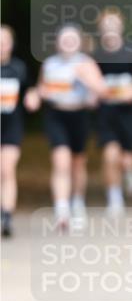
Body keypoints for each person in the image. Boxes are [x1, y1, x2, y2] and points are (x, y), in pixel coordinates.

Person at [24, 24, 108, 231]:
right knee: (60, 161)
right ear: (57, 42)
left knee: (77, 163)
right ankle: (62, 211)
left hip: (79, 116)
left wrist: (87, 80)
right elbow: (41, 88)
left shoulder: (86, 64)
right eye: (64, 39)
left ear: (79, 42)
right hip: (56, 116)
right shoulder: (50, 65)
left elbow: (103, 92)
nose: (68, 43)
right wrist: (35, 96)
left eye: (72, 39)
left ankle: (77, 203)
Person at [95, 8, 132, 215]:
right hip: (105, 112)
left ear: (121, 27)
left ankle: (130, 171)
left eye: (114, 24)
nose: (110, 29)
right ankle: (114, 197)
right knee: (110, 155)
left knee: (126, 157)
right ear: (100, 29)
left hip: (128, 112)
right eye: (106, 25)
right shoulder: (95, 54)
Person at [1, 25, 29, 237]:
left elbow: (28, 96)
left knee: (7, 169)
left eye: (4, 41)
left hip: (11, 127)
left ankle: (7, 215)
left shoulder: (19, 68)